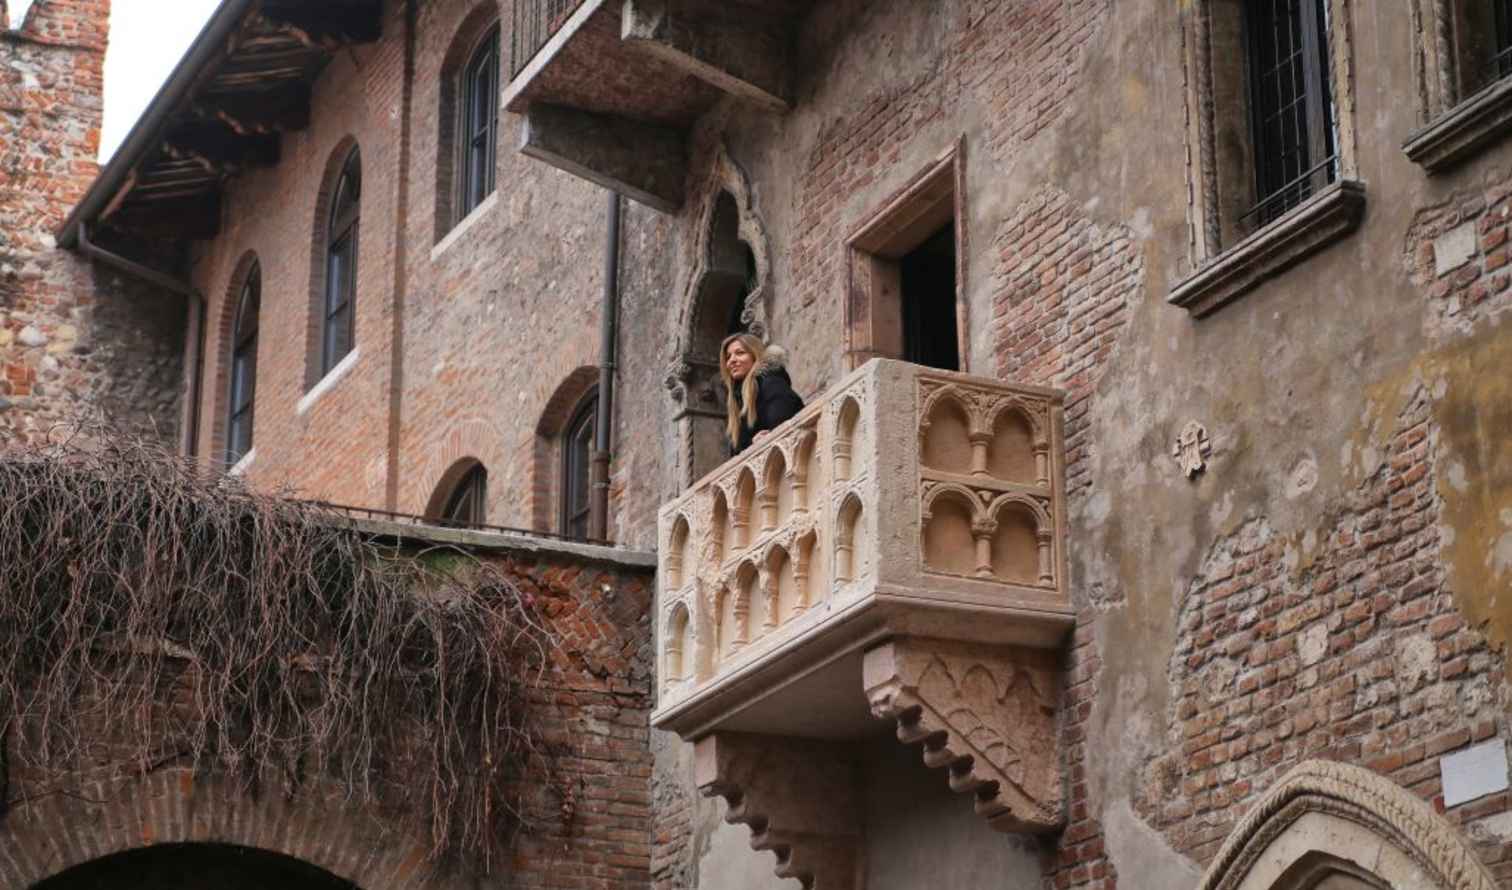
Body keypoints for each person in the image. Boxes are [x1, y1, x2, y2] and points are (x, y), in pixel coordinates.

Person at [720, 333, 804, 456]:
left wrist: (766, 437)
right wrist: (751, 443)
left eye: (740, 353)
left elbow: (782, 427)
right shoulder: (738, 400)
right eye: (728, 357)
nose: (731, 360)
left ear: (755, 356)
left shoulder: (771, 383)